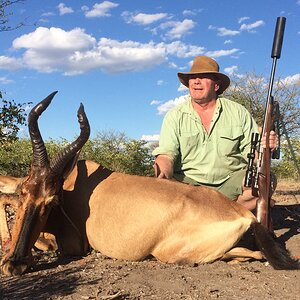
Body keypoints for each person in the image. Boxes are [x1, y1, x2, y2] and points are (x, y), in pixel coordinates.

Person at [152, 56, 277, 211]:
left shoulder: (238, 112)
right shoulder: (174, 115)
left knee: (266, 181)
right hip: (189, 185)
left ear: (216, 85)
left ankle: (208, 216)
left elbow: (253, 154)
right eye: (192, 77)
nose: (196, 81)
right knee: (160, 192)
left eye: (203, 77)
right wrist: (162, 173)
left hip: (230, 182)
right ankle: (227, 215)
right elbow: (166, 155)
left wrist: (266, 148)